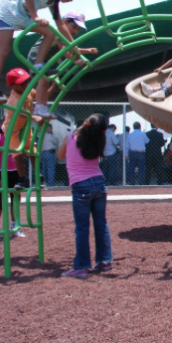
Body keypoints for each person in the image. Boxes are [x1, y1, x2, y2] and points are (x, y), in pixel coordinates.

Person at [0, 0, 85, 120]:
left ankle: (38, 65)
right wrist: (35, 16)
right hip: (8, 10)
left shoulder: (54, 1)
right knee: (4, 50)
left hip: (21, 14)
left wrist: (73, 46)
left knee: (50, 32)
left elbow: (60, 24)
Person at [58, 113, 113, 279]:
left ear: (85, 123)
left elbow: (60, 156)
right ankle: (104, 260)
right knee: (101, 224)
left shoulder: (71, 137)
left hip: (81, 185)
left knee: (82, 227)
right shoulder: (99, 141)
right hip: (99, 183)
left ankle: (81, 266)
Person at [2, 68, 46, 190]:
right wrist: (34, 117)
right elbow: (20, 113)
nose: (25, 85)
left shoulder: (28, 91)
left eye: (26, 81)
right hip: (12, 130)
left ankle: (38, 176)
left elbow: (42, 94)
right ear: (13, 85)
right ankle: (22, 179)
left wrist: (48, 83)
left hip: (25, 127)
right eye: (22, 83)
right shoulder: (13, 99)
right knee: (18, 155)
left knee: (33, 153)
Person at [0, 118, 24, 240]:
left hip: (15, 173)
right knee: (1, 202)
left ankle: (15, 227)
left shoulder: (15, 137)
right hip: (2, 173)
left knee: (15, 200)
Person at [26, 11, 97, 76]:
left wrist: (88, 50)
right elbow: (64, 50)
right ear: (65, 22)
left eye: (78, 29)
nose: (75, 31)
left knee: (44, 81)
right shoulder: (59, 33)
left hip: (42, 60)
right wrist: (75, 61)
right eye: (74, 27)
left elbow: (72, 49)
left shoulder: (65, 37)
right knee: (41, 78)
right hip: (36, 57)